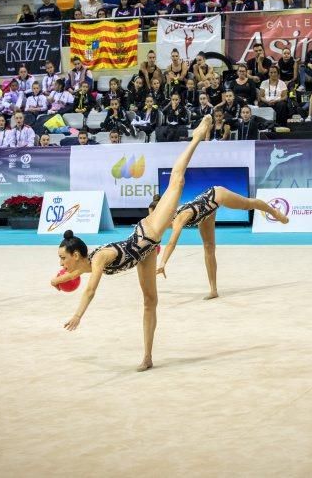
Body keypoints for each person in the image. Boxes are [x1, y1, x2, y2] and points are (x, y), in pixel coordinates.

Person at [53, 116, 215, 371]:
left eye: (63, 257)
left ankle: (196, 135)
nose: (61, 263)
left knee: (177, 180)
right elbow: (67, 276)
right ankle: (148, 357)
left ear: (75, 254)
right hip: (145, 253)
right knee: (150, 301)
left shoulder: (98, 260)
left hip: (148, 232)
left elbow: (90, 290)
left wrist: (77, 315)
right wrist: (56, 280)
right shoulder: (82, 265)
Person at [156, 186, 289, 299]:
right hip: (205, 213)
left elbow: (172, 243)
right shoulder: (169, 220)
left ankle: (274, 212)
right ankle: (213, 290)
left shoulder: (180, 218)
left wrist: (163, 263)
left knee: (247, 204)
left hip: (216, 195)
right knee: (208, 247)